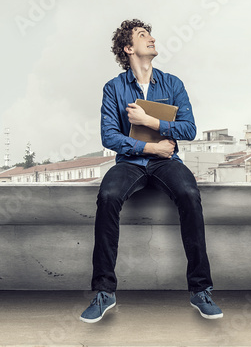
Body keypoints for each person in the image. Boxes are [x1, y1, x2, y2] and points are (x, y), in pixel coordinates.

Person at [80, 19, 222, 322]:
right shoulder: (114, 88)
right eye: (144, 36)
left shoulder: (173, 84)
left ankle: (200, 290)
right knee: (107, 197)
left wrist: (152, 123)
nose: (152, 39)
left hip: (167, 163)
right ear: (129, 48)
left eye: (151, 35)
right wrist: (150, 147)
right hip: (131, 163)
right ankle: (104, 292)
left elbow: (190, 129)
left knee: (188, 193)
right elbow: (109, 137)